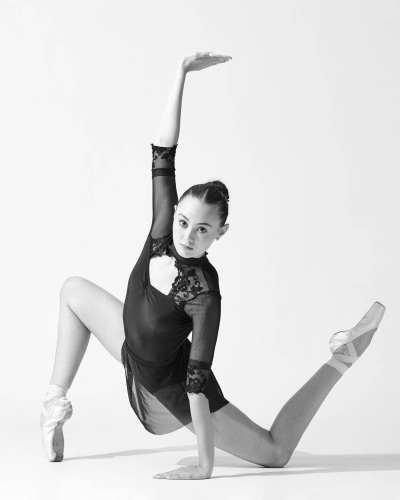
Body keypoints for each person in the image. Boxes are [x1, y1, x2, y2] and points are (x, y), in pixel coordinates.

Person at [40, 51, 386, 480]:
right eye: (184, 222)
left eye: (202, 230)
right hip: (133, 348)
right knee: (74, 289)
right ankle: (53, 405)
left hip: (169, 393)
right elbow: (163, 150)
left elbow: (196, 383)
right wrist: (180, 73)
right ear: (174, 214)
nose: (187, 235)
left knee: (275, 452)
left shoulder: (203, 291)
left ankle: (342, 357)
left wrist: (204, 467)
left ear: (219, 233)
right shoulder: (163, 233)